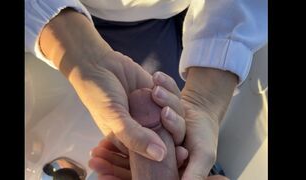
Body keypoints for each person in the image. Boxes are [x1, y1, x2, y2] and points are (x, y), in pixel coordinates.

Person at [25, 0, 267, 179]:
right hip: (94, 14)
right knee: (160, 92)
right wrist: (75, 45)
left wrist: (205, 99)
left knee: (161, 98)